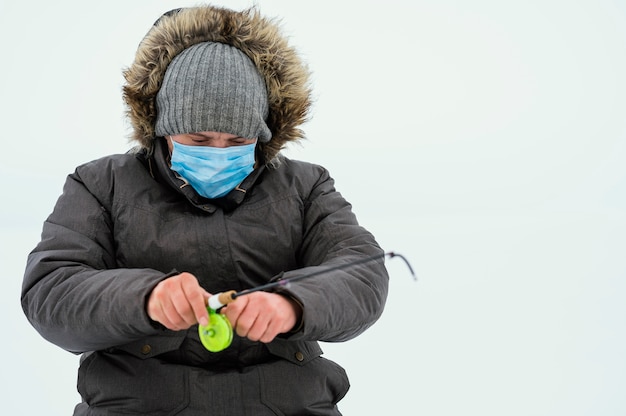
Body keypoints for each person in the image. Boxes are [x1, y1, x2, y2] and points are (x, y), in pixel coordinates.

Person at [21, 4, 389, 415]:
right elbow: (51, 290)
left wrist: (293, 303)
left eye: (235, 141)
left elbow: (361, 271)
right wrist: (146, 298)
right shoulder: (99, 184)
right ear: (162, 127)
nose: (218, 152)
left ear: (262, 133)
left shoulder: (306, 186)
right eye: (198, 138)